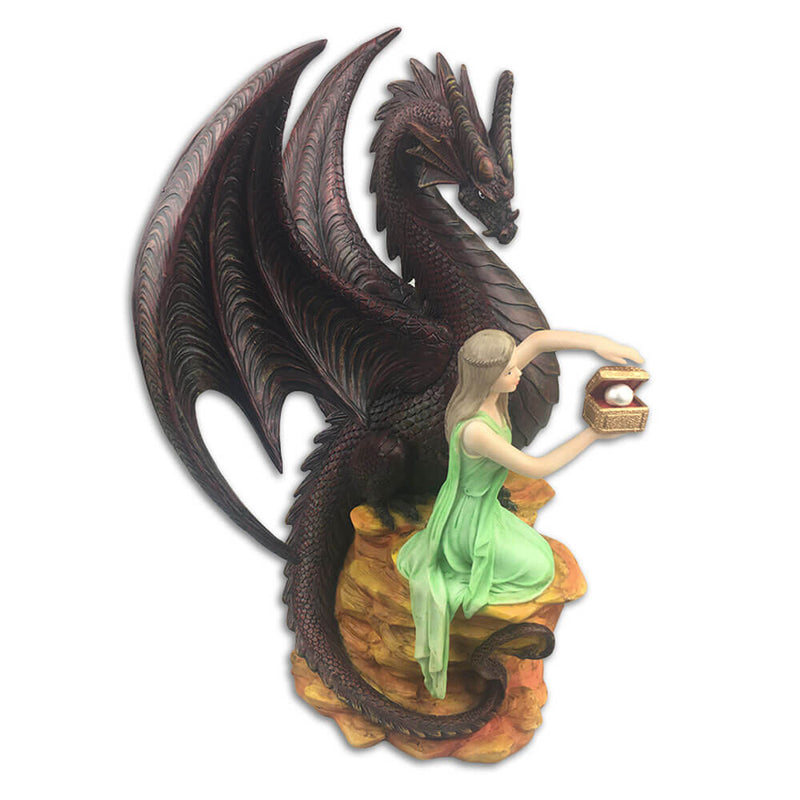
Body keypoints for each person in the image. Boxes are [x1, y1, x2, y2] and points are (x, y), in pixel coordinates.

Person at [396, 328, 644, 699]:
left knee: (541, 558)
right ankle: (466, 584)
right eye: (511, 370)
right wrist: (592, 434)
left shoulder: (493, 387)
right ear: (488, 376)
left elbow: (540, 340)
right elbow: (537, 467)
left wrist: (598, 345)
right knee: (537, 570)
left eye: (515, 365)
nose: (520, 373)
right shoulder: (476, 430)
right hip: (469, 524)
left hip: (486, 508)